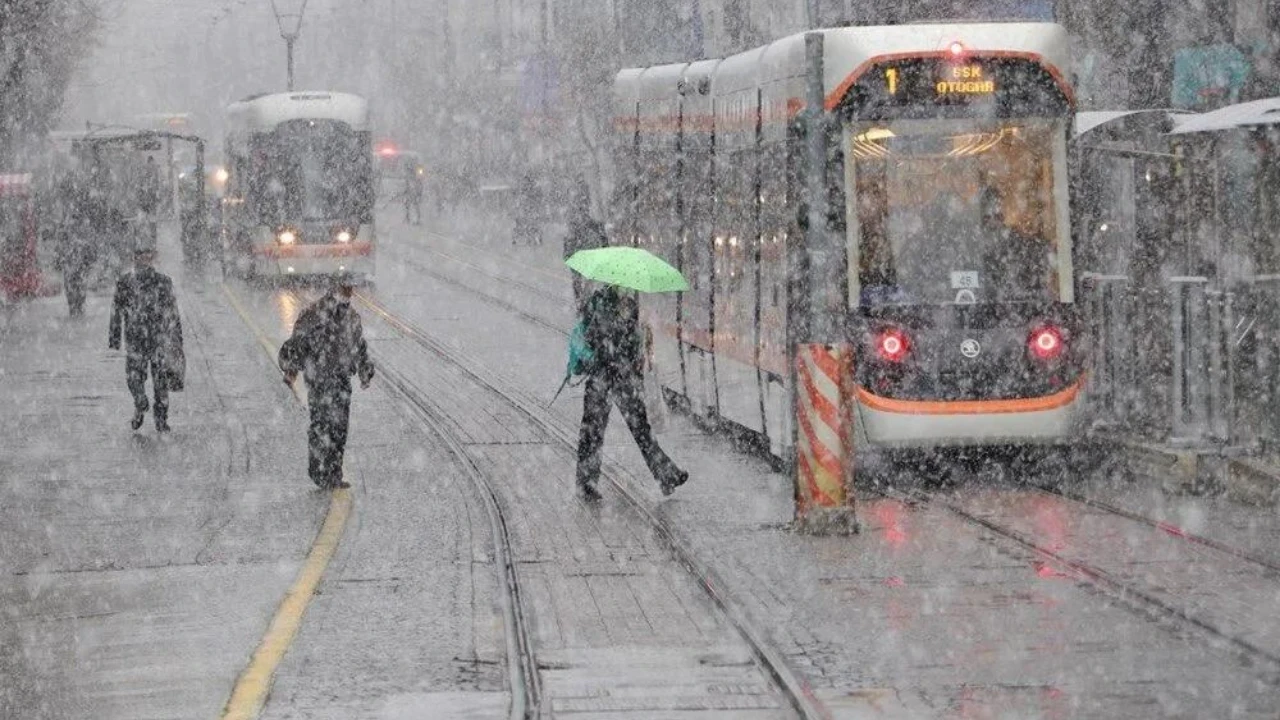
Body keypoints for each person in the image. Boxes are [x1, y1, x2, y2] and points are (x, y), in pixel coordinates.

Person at [576, 285, 687, 500]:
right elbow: (593, 337)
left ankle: (666, 474)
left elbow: (630, 343)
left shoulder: (625, 305)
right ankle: (586, 482)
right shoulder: (598, 304)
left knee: (631, 429)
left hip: (619, 377)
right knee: (595, 430)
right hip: (605, 375)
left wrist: (639, 336)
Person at [278, 274, 375, 490]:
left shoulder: (351, 317)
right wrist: (291, 370)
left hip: (340, 379)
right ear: (334, 288)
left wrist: (364, 370)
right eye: (345, 287)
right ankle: (319, 471)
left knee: (339, 427)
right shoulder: (314, 314)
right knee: (322, 424)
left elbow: (359, 346)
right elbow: (298, 342)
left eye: (351, 288)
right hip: (319, 378)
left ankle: (334, 473)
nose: (349, 292)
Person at [108, 241, 184, 432]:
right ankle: (147, 408)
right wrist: (115, 336)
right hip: (145, 339)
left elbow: (172, 313)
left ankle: (153, 413)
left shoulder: (156, 282)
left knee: (153, 381)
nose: (144, 259)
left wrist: (175, 338)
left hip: (149, 338)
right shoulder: (129, 282)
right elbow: (116, 311)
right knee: (144, 380)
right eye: (141, 255)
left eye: (147, 255)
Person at [563, 180, 607, 308]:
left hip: (580, 252)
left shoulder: (577, 223)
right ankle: (582, 301)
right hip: (581, 251)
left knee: (581, 279)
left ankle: (581, 301)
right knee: (583, 279)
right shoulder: (581, 224)